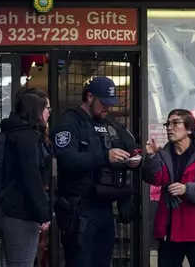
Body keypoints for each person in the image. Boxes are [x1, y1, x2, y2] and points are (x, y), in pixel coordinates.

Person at [51, 76, 141, 267]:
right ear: (89, 97)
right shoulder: (69, 123)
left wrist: (136, 158)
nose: (107, 108)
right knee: (80, 261)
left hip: (105, 207)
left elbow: (132, 145)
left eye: (110, 103)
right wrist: (104, 156)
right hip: (79, 208)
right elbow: (67, 159)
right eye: (103, 103)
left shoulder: (111, 124)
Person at [142, 109, 195, 267]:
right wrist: (151, 157)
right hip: (169, 232)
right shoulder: (163, 154)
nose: (169, 127)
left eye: (175, 123)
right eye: (167, 124)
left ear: (190, 129)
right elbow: (153, 179)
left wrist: (187, 189)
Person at [0, 87, 52, 267]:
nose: (49, 113)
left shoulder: (11, 133)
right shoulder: (27, 138)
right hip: (20, 213)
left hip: (6, 210)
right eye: (47, 108)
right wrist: (43, 214)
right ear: (37, 110)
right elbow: (31, 178)